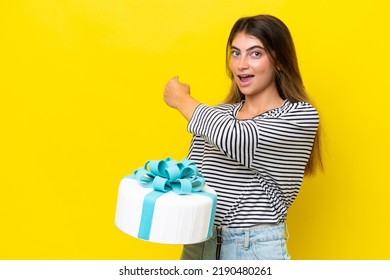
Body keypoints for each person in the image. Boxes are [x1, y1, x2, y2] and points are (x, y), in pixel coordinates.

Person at [163, 14, 322, 260]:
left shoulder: (298, 116)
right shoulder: (217, 116)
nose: (241, 65)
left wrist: (181, 99)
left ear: (279, 61)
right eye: (236, 53)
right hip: (198, 245)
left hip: (252, 249)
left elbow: (237, 139)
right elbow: (193, 179)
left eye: (255, 53)